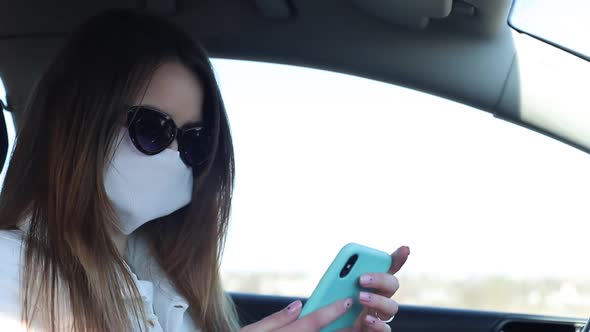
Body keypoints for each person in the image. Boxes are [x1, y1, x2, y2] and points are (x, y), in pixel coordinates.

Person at [0, 9, 410, 332]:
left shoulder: (163, 278)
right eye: (153, 129)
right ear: (78, 123)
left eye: (195, 141)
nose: (177, 154)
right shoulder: (9, 271)